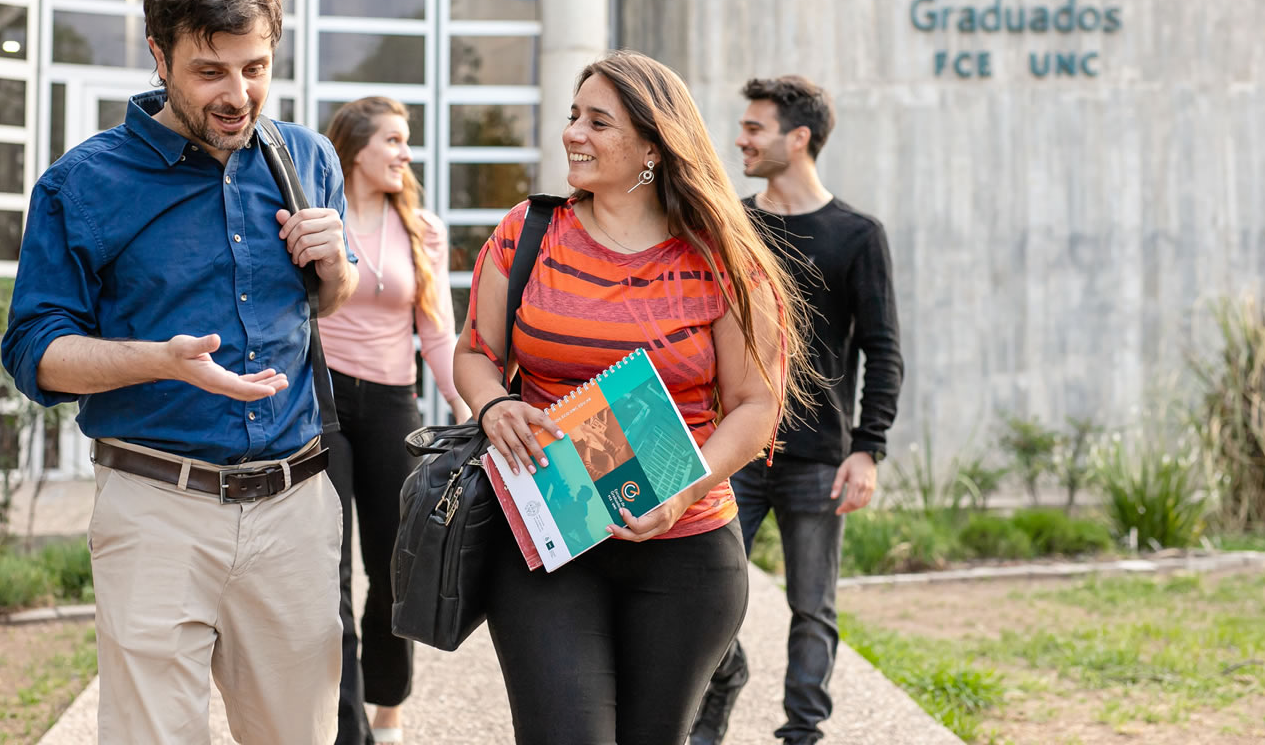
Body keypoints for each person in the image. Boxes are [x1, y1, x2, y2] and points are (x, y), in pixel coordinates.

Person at [1, 0, 358, 744]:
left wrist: (335, 266)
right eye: (211, 73)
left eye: (256, 67)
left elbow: (332, 300)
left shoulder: (306, 158)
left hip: (295, 508)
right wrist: (157, 359)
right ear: (159, 56)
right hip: (156, 507)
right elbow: (34, 351)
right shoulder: (82, 183)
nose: (239, 95)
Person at [454, 50, 816, 745]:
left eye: (598, 121)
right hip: (549, 539)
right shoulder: (527, 232)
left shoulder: (723, 260)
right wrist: (495, 406)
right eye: (572, 117)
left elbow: (754, 405)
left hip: (686, 551)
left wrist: (680, 490)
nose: (572, 134)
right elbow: (475, 354)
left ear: (652, 146)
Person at [688, 75, 904, 745]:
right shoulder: (732, 224)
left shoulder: (857, 235)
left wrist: (869, 447)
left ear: (798, 137)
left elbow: (883, 349)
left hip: (818, 456)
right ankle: (723, 682)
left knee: (813, 608)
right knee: (702, 595)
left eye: (755, 128)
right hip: (733, 450)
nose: (740, 139)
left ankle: (802, 734)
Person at [319, 96, 470, 745]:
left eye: (407, 142)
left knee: (394, 563)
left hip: (390, 403)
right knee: (329, 570)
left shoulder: (422, 228)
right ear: (355, 148)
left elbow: (437, 332)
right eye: (395, 141)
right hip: (320, 402)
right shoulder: (320, 221)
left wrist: (466, 404)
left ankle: (388, 699)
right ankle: (347, 725)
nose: (406, 154)